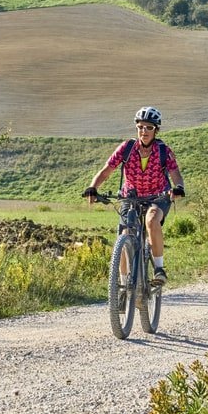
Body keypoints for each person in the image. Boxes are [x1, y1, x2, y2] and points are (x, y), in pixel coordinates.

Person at [84, 106, 185, 283]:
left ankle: (159, 269)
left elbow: (175, 173)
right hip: (130, 197)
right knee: (124, 235)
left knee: (152, 221)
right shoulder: (126, 148)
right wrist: (93, 187)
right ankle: (122, 286)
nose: (144, 131)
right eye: (140, 127)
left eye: (149, 127)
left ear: (156, 129)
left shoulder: (163, 151)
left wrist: (178, 187)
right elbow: (106, 171)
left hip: (158, 196)